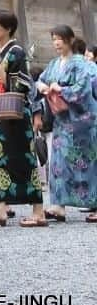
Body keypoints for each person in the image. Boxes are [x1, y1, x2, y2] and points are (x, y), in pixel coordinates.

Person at [0, 9, 44, 227]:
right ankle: (0, 206)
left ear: (8, 28)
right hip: (2, 111)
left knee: (25, 158)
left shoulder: (16, 51)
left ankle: (38, 210)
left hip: (17, 113)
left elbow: (24, 84)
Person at [35, 24, 97, 223]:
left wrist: (60, 89)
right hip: (62, 121)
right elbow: (39, 81)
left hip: (83, 122)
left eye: (59, 39)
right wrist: (44, 87)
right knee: (59, 163)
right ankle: (58, 206)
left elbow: (84, 88)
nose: (56, 43)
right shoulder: (54, 63)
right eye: (53, 39)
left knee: (89, 163)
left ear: (70, 40)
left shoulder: (82, 63)